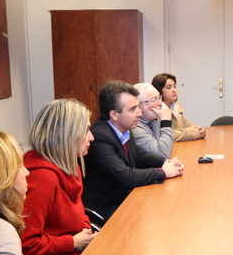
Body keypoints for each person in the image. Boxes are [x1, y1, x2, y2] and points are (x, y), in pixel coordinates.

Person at [82, 80, 184, 220]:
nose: (139, 113)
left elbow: (139, 155)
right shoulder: (99, 138)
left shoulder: (124, 128)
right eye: (132, 109)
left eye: (138, 107)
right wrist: (164, 172)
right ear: (114, 115)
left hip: (126, 202)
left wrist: (165, 162)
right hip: (107, 213)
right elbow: (126, 176)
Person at [21, 98, 97, 255]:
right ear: (66, 135)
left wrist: (85, 229)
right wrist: (72, 242)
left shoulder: (70, 164)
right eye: (86, 130)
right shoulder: (42, 177)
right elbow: (27, 243)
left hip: (75, 253)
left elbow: (78, 211)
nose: (92, 137)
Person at [151, 73, 206, 141]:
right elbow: (165, 135)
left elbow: (186, 124)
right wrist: (192, 133)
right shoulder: (156, 111)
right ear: (158, 90)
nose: (174, 90)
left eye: (174, 86)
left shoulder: (176, 106)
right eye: (169, 87)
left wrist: (199, 130)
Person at [131, 83, 174, 159]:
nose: (160, 103)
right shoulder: (135, 128)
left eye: (159, 98)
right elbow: (163, 155)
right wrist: (166, 121)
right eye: (154, 100)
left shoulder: (154, 119)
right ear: (139, 106)